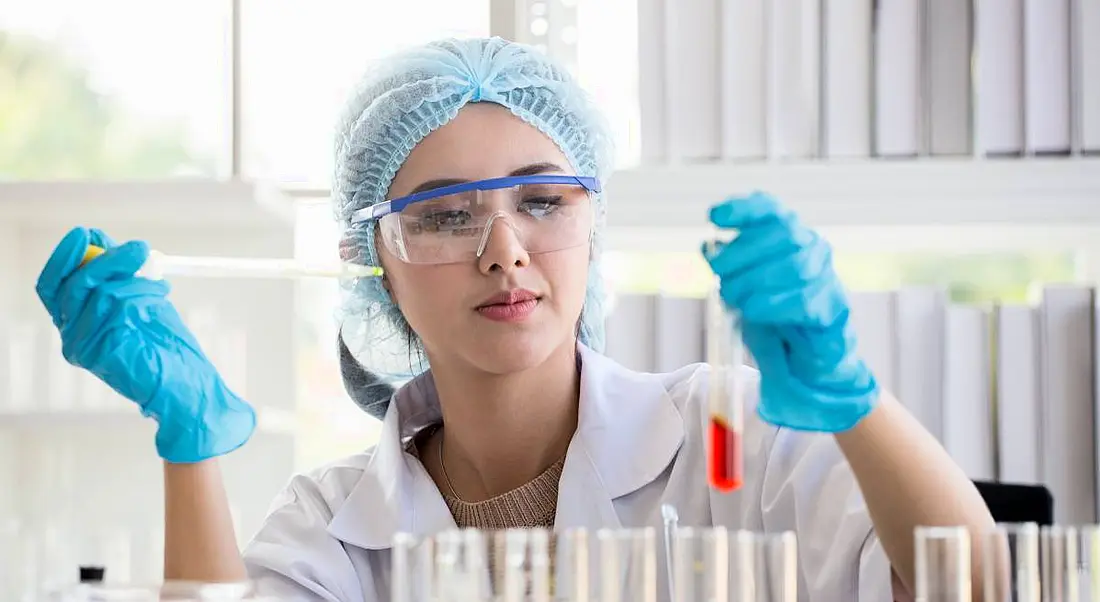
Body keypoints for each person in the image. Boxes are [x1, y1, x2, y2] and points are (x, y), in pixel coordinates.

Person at [35, 37, 994, 601]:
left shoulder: (724, 435)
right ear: (378, 269)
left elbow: (982, 588)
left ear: (593, 226)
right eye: (448, 215)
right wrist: (189, 446)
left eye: (543, 202)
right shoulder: (333, 528)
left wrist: (851, 397)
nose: (505, 252)